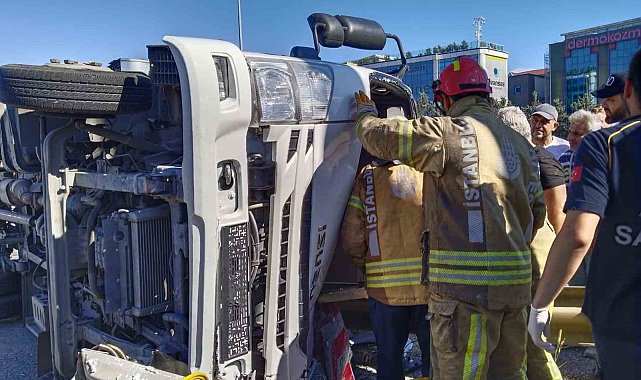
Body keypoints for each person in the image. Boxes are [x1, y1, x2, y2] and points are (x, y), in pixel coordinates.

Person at [354, 56, 546, 380]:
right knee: (509, 374)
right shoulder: (521, 144)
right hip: (515, 292)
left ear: (444, 99)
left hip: (464, 298)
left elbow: (383, 138)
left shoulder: (447, 133)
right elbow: (537, 214)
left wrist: (364, 115)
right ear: (486, 94)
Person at [529, 49, 641, 379]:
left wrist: (540, 304)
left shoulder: (605, 145)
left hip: (624, 318)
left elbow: (579, 235)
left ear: (630, 90)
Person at [340, 160, 430, 379]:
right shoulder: (428, 171)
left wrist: (368, 266)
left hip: (384, 291)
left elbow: (352, 236)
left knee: (389, 359)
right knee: (434, 360)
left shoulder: (368, 177)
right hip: (428, 287)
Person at [498, 106, 564, 380]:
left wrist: (561, 264)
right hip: (525, 255)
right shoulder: (517, 160)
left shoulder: (540, 161)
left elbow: (555, 215)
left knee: (536, 342)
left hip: (538, 256)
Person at [557, 110, 602, 180]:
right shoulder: (564, 159)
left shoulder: (603, 159)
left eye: (577, 134)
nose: (570, 138)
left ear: (592, 136)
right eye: (570, 132)